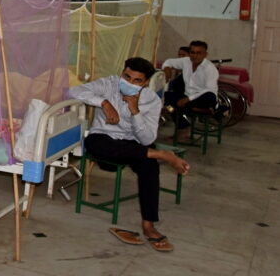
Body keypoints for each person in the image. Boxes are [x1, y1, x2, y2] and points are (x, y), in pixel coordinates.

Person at [69, 57, 190, 252]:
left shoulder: (151, 100)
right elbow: (74, 90)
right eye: (127, 77)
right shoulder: (109, 84)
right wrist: (104, 102)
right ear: (122, 72)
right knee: (93, 142)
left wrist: (135, 112)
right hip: (105, 140)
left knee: (149, 166)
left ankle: (149, 225)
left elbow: (146, 138)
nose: (129, 83)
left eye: (137, 81)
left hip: (133, 145)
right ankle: (161, 154)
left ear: (145, 83)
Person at [162, 40, 219, 142]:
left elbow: (210, 89)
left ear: (205, 54)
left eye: (199, 53)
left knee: (209, 96)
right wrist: (166, 68)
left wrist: (188, 99)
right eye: (192, 52)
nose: (195, 56)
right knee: (166, 101)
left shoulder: (210, 69)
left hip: (201, 99)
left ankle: (199, 108)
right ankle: (183, 124)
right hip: (186, 99)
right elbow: (169, 61)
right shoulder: (186, 61)